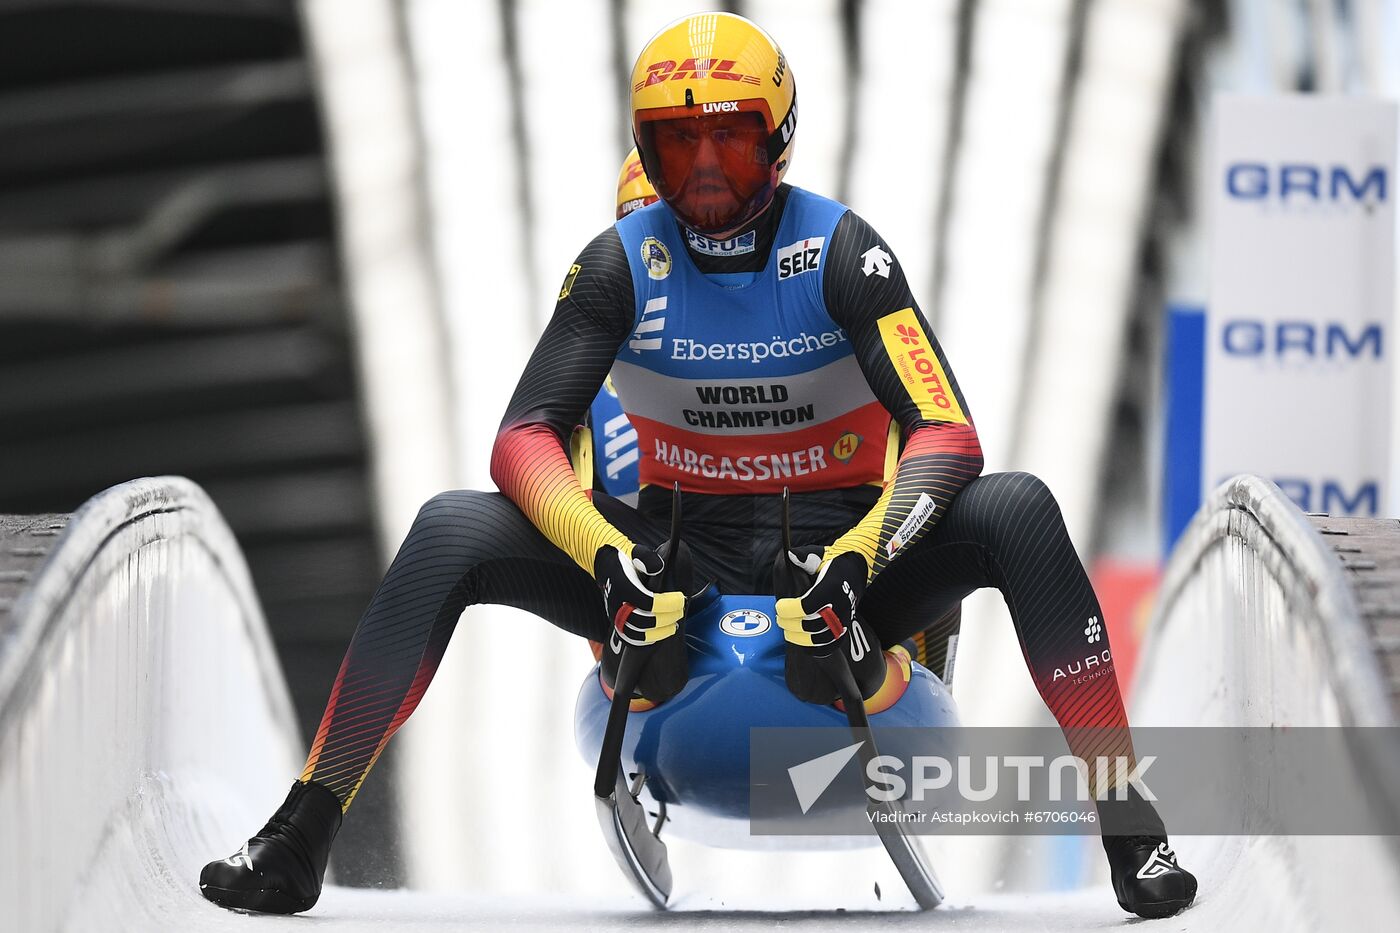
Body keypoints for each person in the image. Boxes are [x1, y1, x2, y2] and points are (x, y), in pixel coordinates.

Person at [199, 12, 1196, 920]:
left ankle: (1128, 826)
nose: (705, 172)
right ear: (644, 152)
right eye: (678, 146)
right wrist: (601, 554)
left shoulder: (843, 253)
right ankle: (301, 831)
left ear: (778, 139)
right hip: (676, 562)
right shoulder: (617, 265)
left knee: (1015, 508)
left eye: (729, 139)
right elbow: (523, 439)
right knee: (451, 526)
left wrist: (859, 554)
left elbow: (945, 433)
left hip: (839, 561)